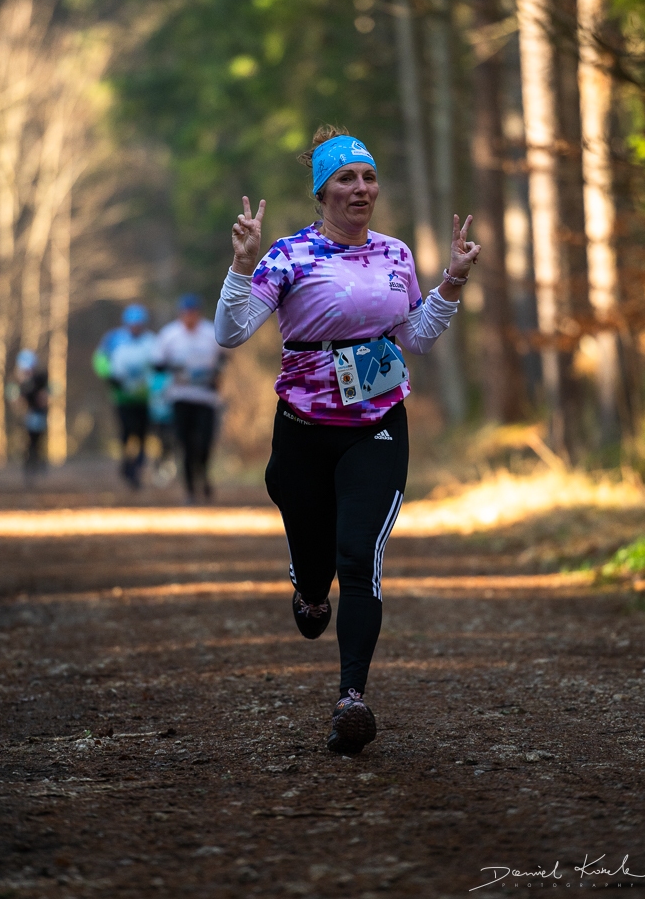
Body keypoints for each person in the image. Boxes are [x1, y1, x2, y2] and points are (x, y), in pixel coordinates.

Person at [214, 125, 480, 754]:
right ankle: (308, 590)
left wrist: (451, 282)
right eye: (346, 178)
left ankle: (351, 699)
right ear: (322, 191)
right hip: (304, 431)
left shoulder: (395, 254)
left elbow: (415, 337)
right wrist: (241, 266)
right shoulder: (289, 256)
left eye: (369, 177)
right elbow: (231, 332)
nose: (361, 188)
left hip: (377, 425)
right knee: (317, 566)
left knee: (359, 557)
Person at [152, 294, 227, 502]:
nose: (189, 317)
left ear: (199, 313)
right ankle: (190, 489)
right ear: (181, 314)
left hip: (206, 398)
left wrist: (216, 374)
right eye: (186, 313)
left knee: (205, 443)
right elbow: (157, 364)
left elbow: (224, 357)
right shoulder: (169, 334)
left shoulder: (211, 332)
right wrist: (174, 369)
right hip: (180, 397)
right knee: (184, 444)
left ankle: (203, 473)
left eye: (193, 313)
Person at [93, 304, 155, 489]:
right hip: (121, 397)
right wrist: (109, 375)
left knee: (142, 433)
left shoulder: (151, 341)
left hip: (144, 398)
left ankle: (139, 462)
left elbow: (160, 365)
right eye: (132, 324)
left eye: (138, 325)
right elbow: (99, 359)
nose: (135, 328)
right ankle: (127, 461)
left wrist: (156, 386)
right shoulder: (114, 338)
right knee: (126, 431)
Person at [11, 350, 48, 479]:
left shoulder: (40, 379)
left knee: (37, 442)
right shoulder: (20, 383)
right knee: (29, 443)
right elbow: (16, 399)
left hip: (38, 415)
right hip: (27, 417)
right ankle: (30, 468)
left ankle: (37, 467)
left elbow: (46, 396)